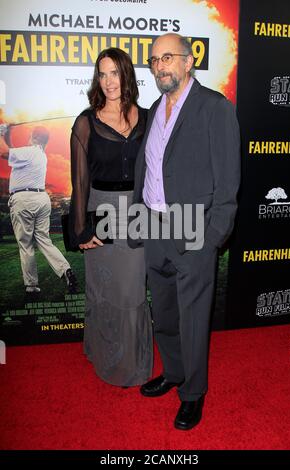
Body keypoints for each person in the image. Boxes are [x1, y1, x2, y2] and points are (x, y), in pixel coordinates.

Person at [130, 33, 241, 430]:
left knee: (194, 317)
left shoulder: (215, 108)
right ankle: (174, 371)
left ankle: (193, 393)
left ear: (189, 60)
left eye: (168, 58)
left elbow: (228, 183)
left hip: (195, 230)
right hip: (154, 227)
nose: (161, 66)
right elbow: (149, 168)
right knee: (164, 313)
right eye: (155, 60)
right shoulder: (154, 110)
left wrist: (211, 239)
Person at [69, 47, 153, 387]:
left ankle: (131, 364)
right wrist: (80, 229)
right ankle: (103, 354)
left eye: (114, 73)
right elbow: (79, 181)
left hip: (135, 210)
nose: (108, 81)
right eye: (102, 74)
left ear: (126, 74)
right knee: (103, 288)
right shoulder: (85, 122)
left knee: (131, 291)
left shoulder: (147, 117)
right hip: (100, 209)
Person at [0, 125, 77, 295]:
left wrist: (1, 132)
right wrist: (7, 134)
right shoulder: (40, 154)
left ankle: (31, 285)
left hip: (24, 200)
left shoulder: (28, 152)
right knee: (44, 240)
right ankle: (65, 270)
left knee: (26, 244)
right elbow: (12, 152)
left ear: (33, 136)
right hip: (41, 199)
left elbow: (4, 153)